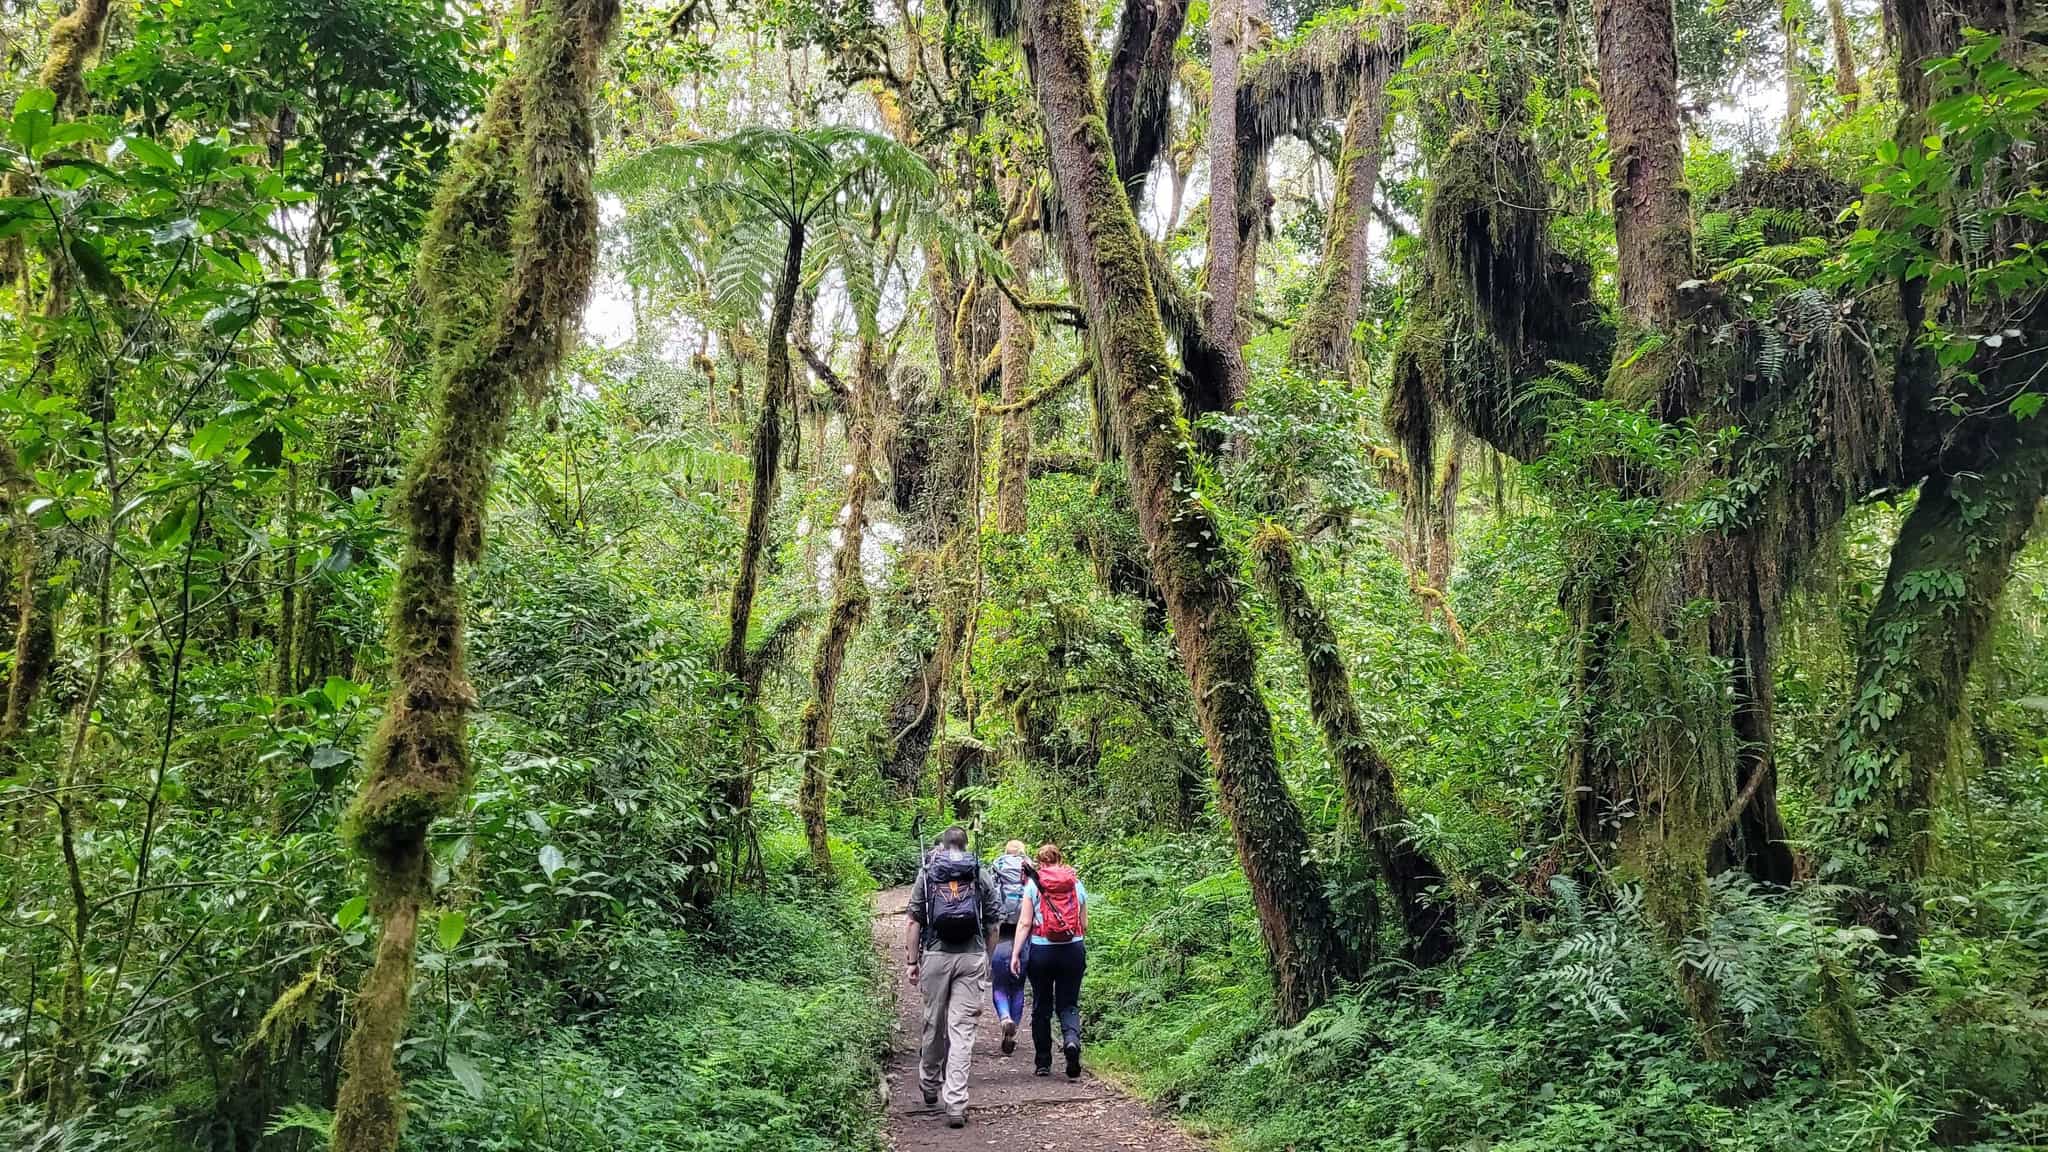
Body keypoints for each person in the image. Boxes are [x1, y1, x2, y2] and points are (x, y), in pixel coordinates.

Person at [905, 825, 999, 1129]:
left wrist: (912, 962)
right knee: (962, 1030)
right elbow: (993, 922)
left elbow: (913, 921)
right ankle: (956, 1102)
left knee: (933, 1020)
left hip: (935, 956)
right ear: (966, 845)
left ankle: (929, 1082)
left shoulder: (928, 872)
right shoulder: (978, 871)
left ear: (943, 846)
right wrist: (986, 957)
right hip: (971, 957)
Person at [1009, 842, 1088, 1079]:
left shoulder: (1033, 885)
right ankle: (1071, 1041)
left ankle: (1043, 1062)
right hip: (1073, 949)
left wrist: (1015, 953)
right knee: (1068, 1004)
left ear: (1040, 863)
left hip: (1042, 952)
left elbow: (1025, 923)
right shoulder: (1076, 883)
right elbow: (1083, 924)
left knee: (1041, 1004)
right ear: (1060, 860)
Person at [985, 839, 1038, 1054]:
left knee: (999, 985)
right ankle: (1012, 1029)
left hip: (1000, 934)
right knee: (1018, 987)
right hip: (1023, 937)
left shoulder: (997, 866)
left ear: (1006, 852)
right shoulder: (1030, 868)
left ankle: (1005, 1017)